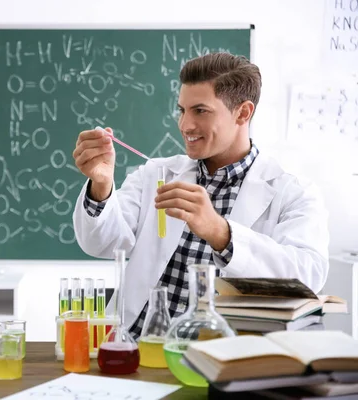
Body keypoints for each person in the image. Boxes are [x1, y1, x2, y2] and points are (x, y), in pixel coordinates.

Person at [71, 53, 329, 339]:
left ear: (242, 113)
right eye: (182, 110)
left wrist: (221, 233)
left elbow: (309, 276)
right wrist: (102, 185)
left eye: (200, 111)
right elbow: (102, 243)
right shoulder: (157, 173)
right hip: (137, 345)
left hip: (221, 356)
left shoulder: (293, 191)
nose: (185, 125)